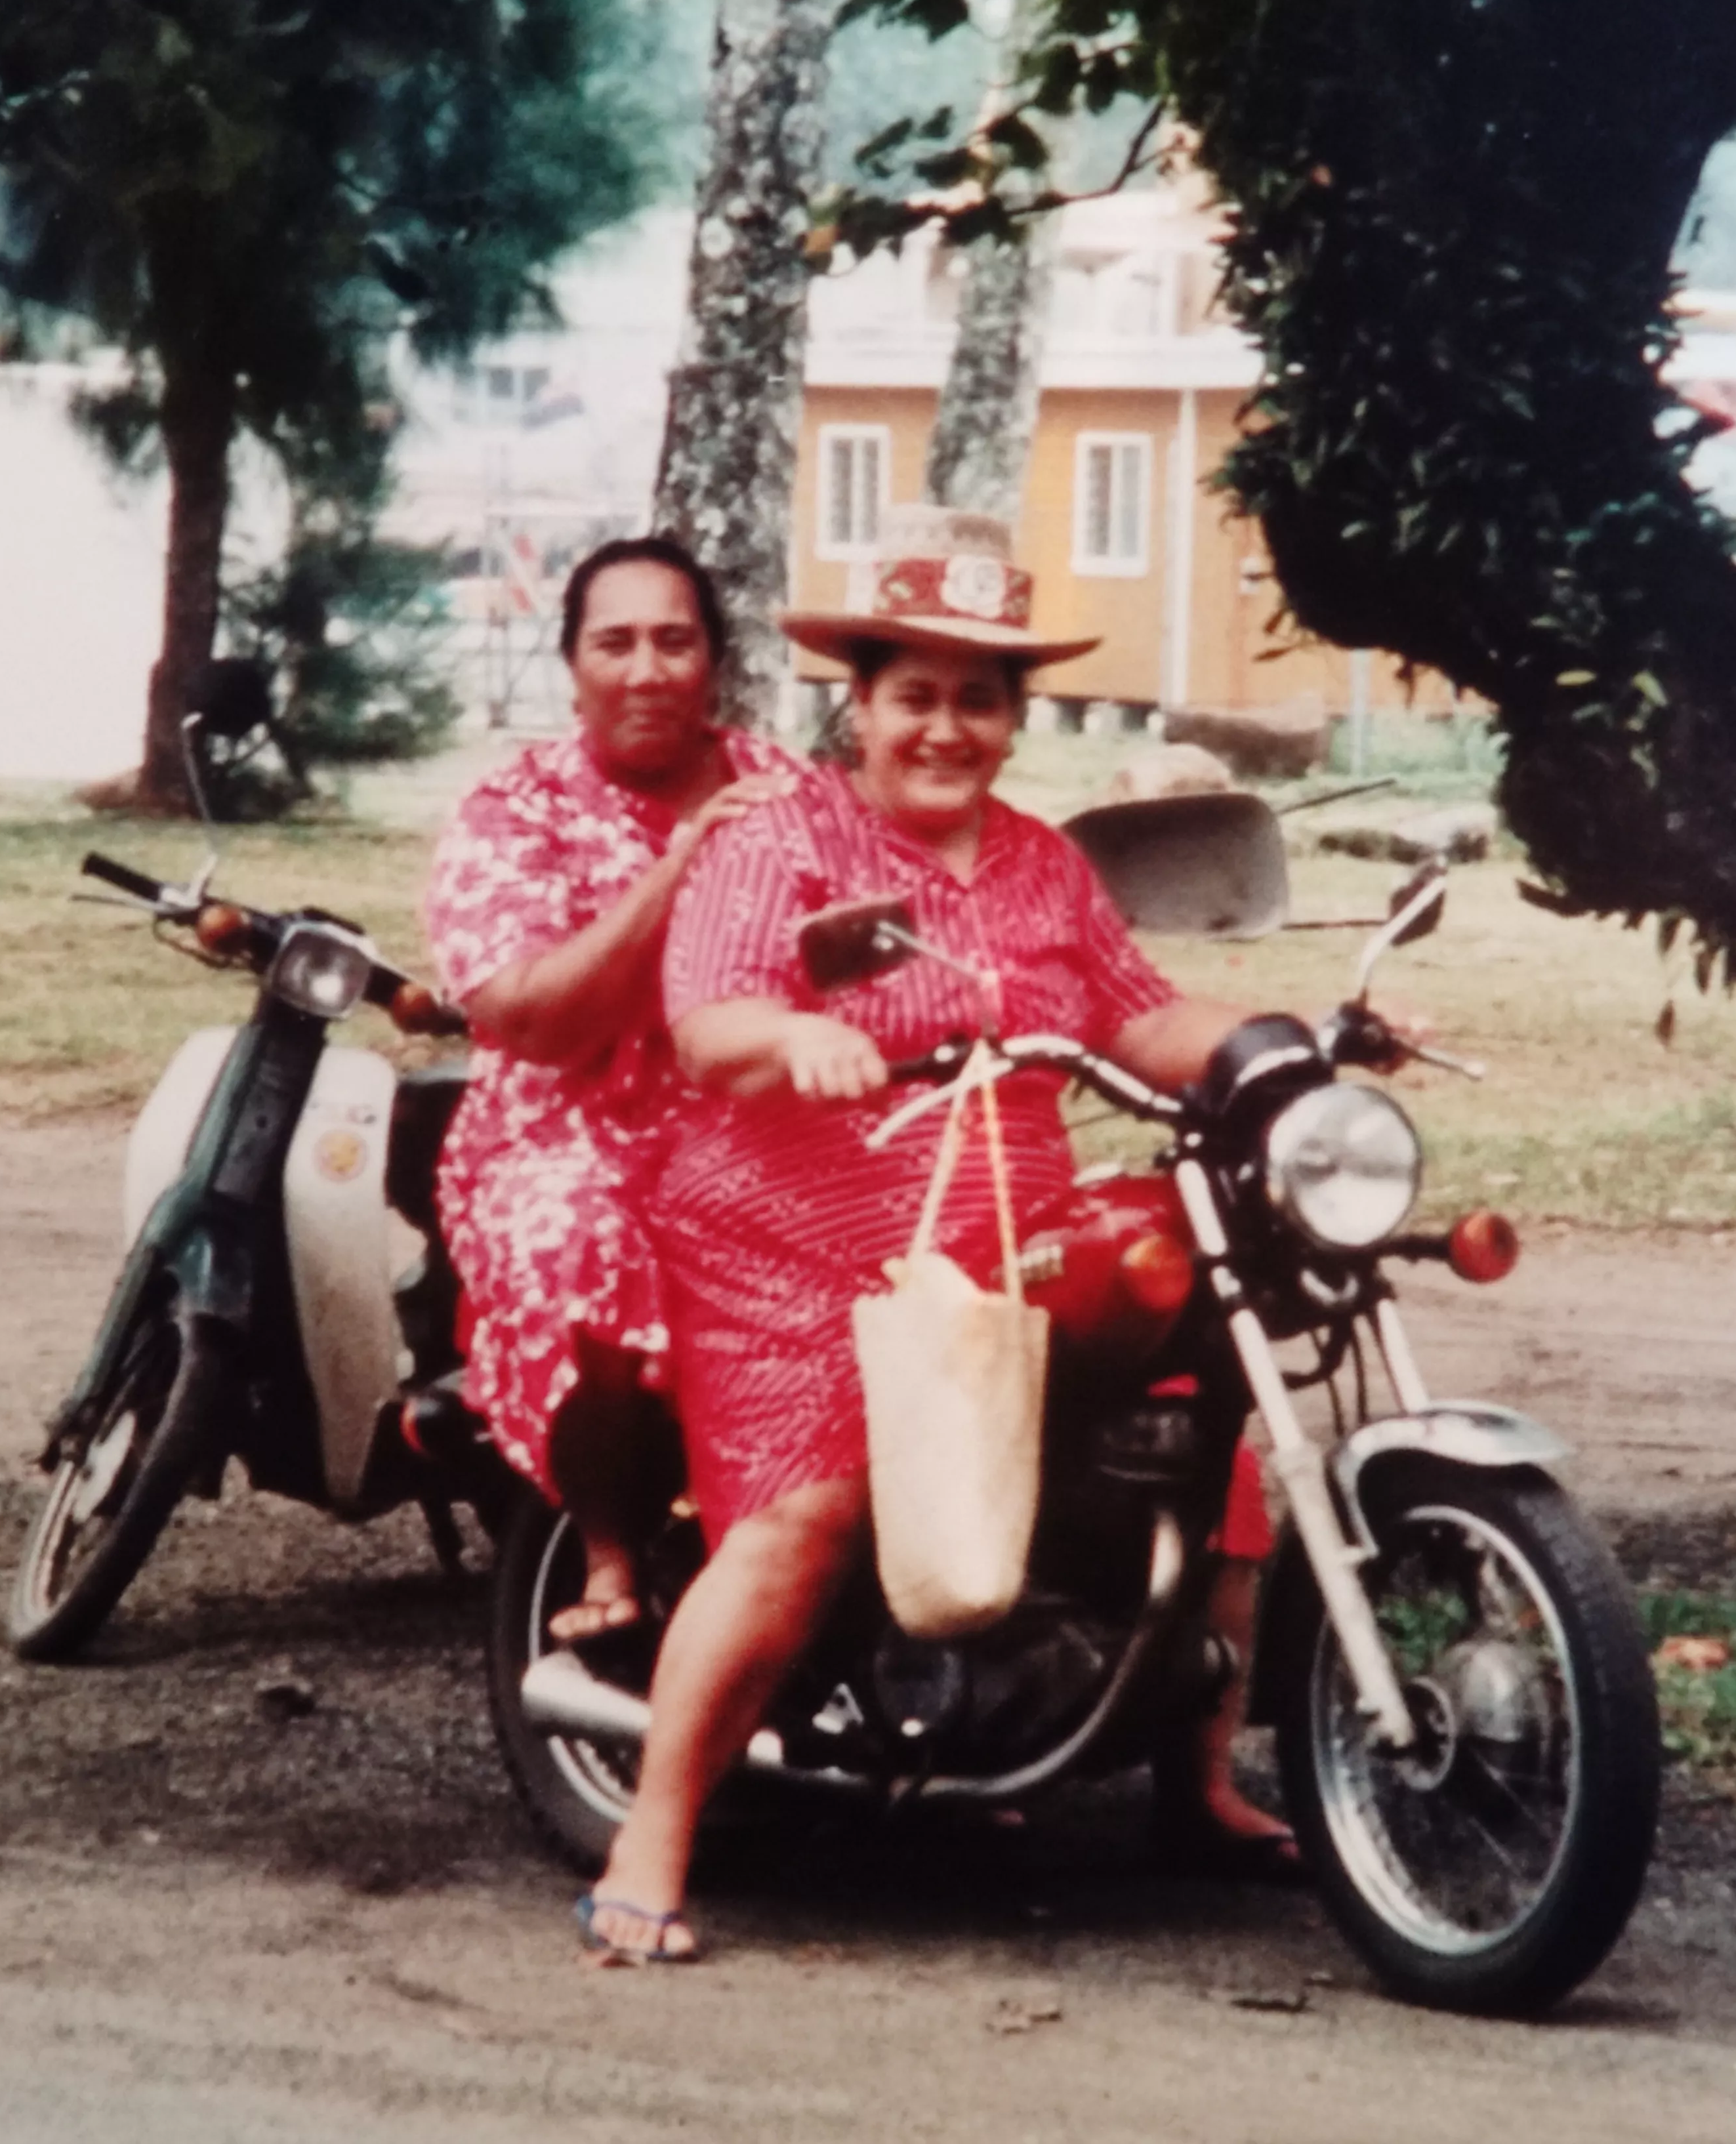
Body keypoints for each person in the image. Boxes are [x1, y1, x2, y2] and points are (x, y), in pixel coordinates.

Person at [572, 509, 1308, 1967]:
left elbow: (1137, 1014)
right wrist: (795, 1035)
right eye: (915, 693)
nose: (945, 727)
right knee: (815, 1507)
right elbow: (707, 1021)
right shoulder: (776, 837)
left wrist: (1287, 1046)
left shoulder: (1042, 864)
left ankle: (1197, 1784)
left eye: (979, 698)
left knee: (1210, 1438)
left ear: (1015, 717)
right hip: (785, 1235)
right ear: (860, 703)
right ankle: (649, 1840)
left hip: (1002, 1231)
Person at [421, 537, 800, 1646]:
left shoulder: (790, 792)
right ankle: (608, 1544)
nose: (646, 671)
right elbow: (532, 1019)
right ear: (573, 665)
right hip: (561, 1135)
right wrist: (679, 872)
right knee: (581, 1239)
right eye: (615, 643)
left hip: (754, 1120)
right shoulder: (514, 809)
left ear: (715, 661)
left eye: (674, 642)